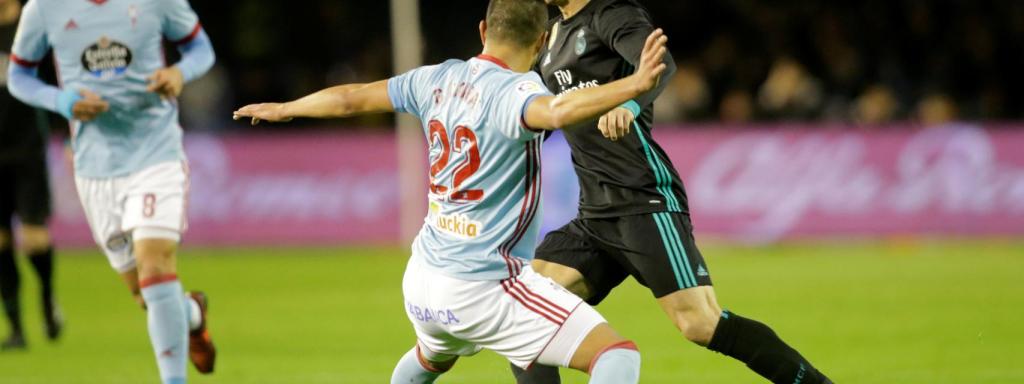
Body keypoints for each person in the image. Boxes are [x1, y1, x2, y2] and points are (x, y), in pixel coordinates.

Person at [232, 0, 670, 381]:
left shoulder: (435, 78)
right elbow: (557, 111)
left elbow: (352, 97)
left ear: (483, 31)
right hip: (484, 287)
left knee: (429, 359)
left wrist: (287, 107)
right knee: (617, 357)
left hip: (422, 281)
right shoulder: (517, 91)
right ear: (541, 42)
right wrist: (635, 85)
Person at [513, 1, 834, 383]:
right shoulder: (553, 35)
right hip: (594, 214)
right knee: (525, 314)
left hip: (643, 202)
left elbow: (661, 64)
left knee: (700, 324)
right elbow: (532, 108)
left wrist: (631, 104)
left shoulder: (611, 13)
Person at [6, 0, 217, 382]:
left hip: (156, 153)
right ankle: (191, 314)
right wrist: (63, 101)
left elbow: (201, 48)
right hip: (96, 169)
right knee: (145, 295)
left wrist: (179, 73)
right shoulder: (44, 9)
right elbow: (19, 76)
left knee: (155, 266)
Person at [0, 0, 61, 351]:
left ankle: (48, 300)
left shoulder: (36, 24)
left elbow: (60, 79)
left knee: (34, 237)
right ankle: (15, 329)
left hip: (27, 152)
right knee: (1, 242)